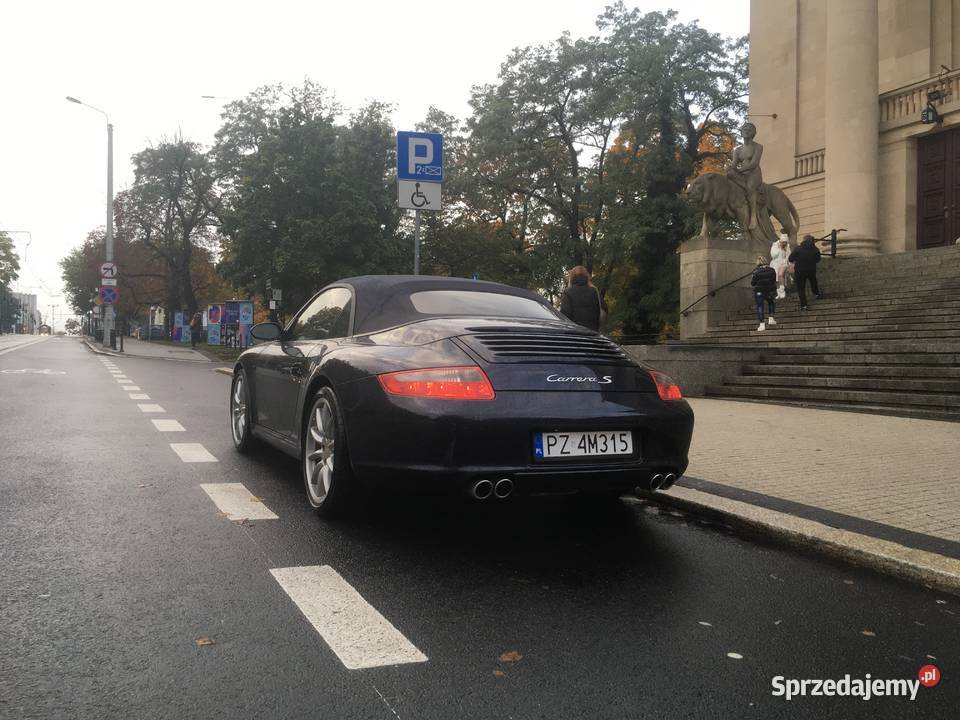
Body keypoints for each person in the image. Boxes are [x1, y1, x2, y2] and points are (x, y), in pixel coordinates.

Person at [727, 122, 764, 230]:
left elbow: (754, 163)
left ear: (754, 133)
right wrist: (731, 169)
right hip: (741, 174)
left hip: (753, 173)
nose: (747, 130)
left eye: (750, 129)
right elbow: (734, 163)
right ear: (741, 132)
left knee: (750, 188)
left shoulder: (758, 146)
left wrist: (739, 170)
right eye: (745, 128)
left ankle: (753, 216)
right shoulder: (737, 150)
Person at [560, 265, 607, 332]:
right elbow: (602, 311)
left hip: (574, 332)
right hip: (592, 332)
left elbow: (565, 314)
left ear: (572, 277)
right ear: (586, 276)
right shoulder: (594, 291)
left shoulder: (568, 292)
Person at [788, 234, 822, 310]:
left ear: (803, 240)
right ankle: (816, 294)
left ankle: (804, 305)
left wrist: (797, 259)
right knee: (813, 282)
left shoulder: (798, 249)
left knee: (801, 289)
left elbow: (790, 259)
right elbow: (818, 259)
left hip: (799, 271)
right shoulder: (815, 249)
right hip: (811, 270)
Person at [750, 255, 778, 332]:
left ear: (758, 262)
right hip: (769, 290)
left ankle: (762, 325)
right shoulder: (772, 270)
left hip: (759, 291)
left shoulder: (756, 271)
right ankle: (771, 318)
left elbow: (752, 283)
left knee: (760, 306)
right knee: (771, 302)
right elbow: (773, 280)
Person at [769, 232, 793, 299]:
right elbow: (773, 255)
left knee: (780, 275)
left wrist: (786, 261)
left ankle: (782, 291)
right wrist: (779, 248)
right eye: (783, 242)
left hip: (783, 263)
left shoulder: (787, 246)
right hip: (775, 263)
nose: (784, 243)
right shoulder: (775, 245)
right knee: (776, 279)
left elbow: (789, 255)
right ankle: (778, 293)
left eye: (785, 242)